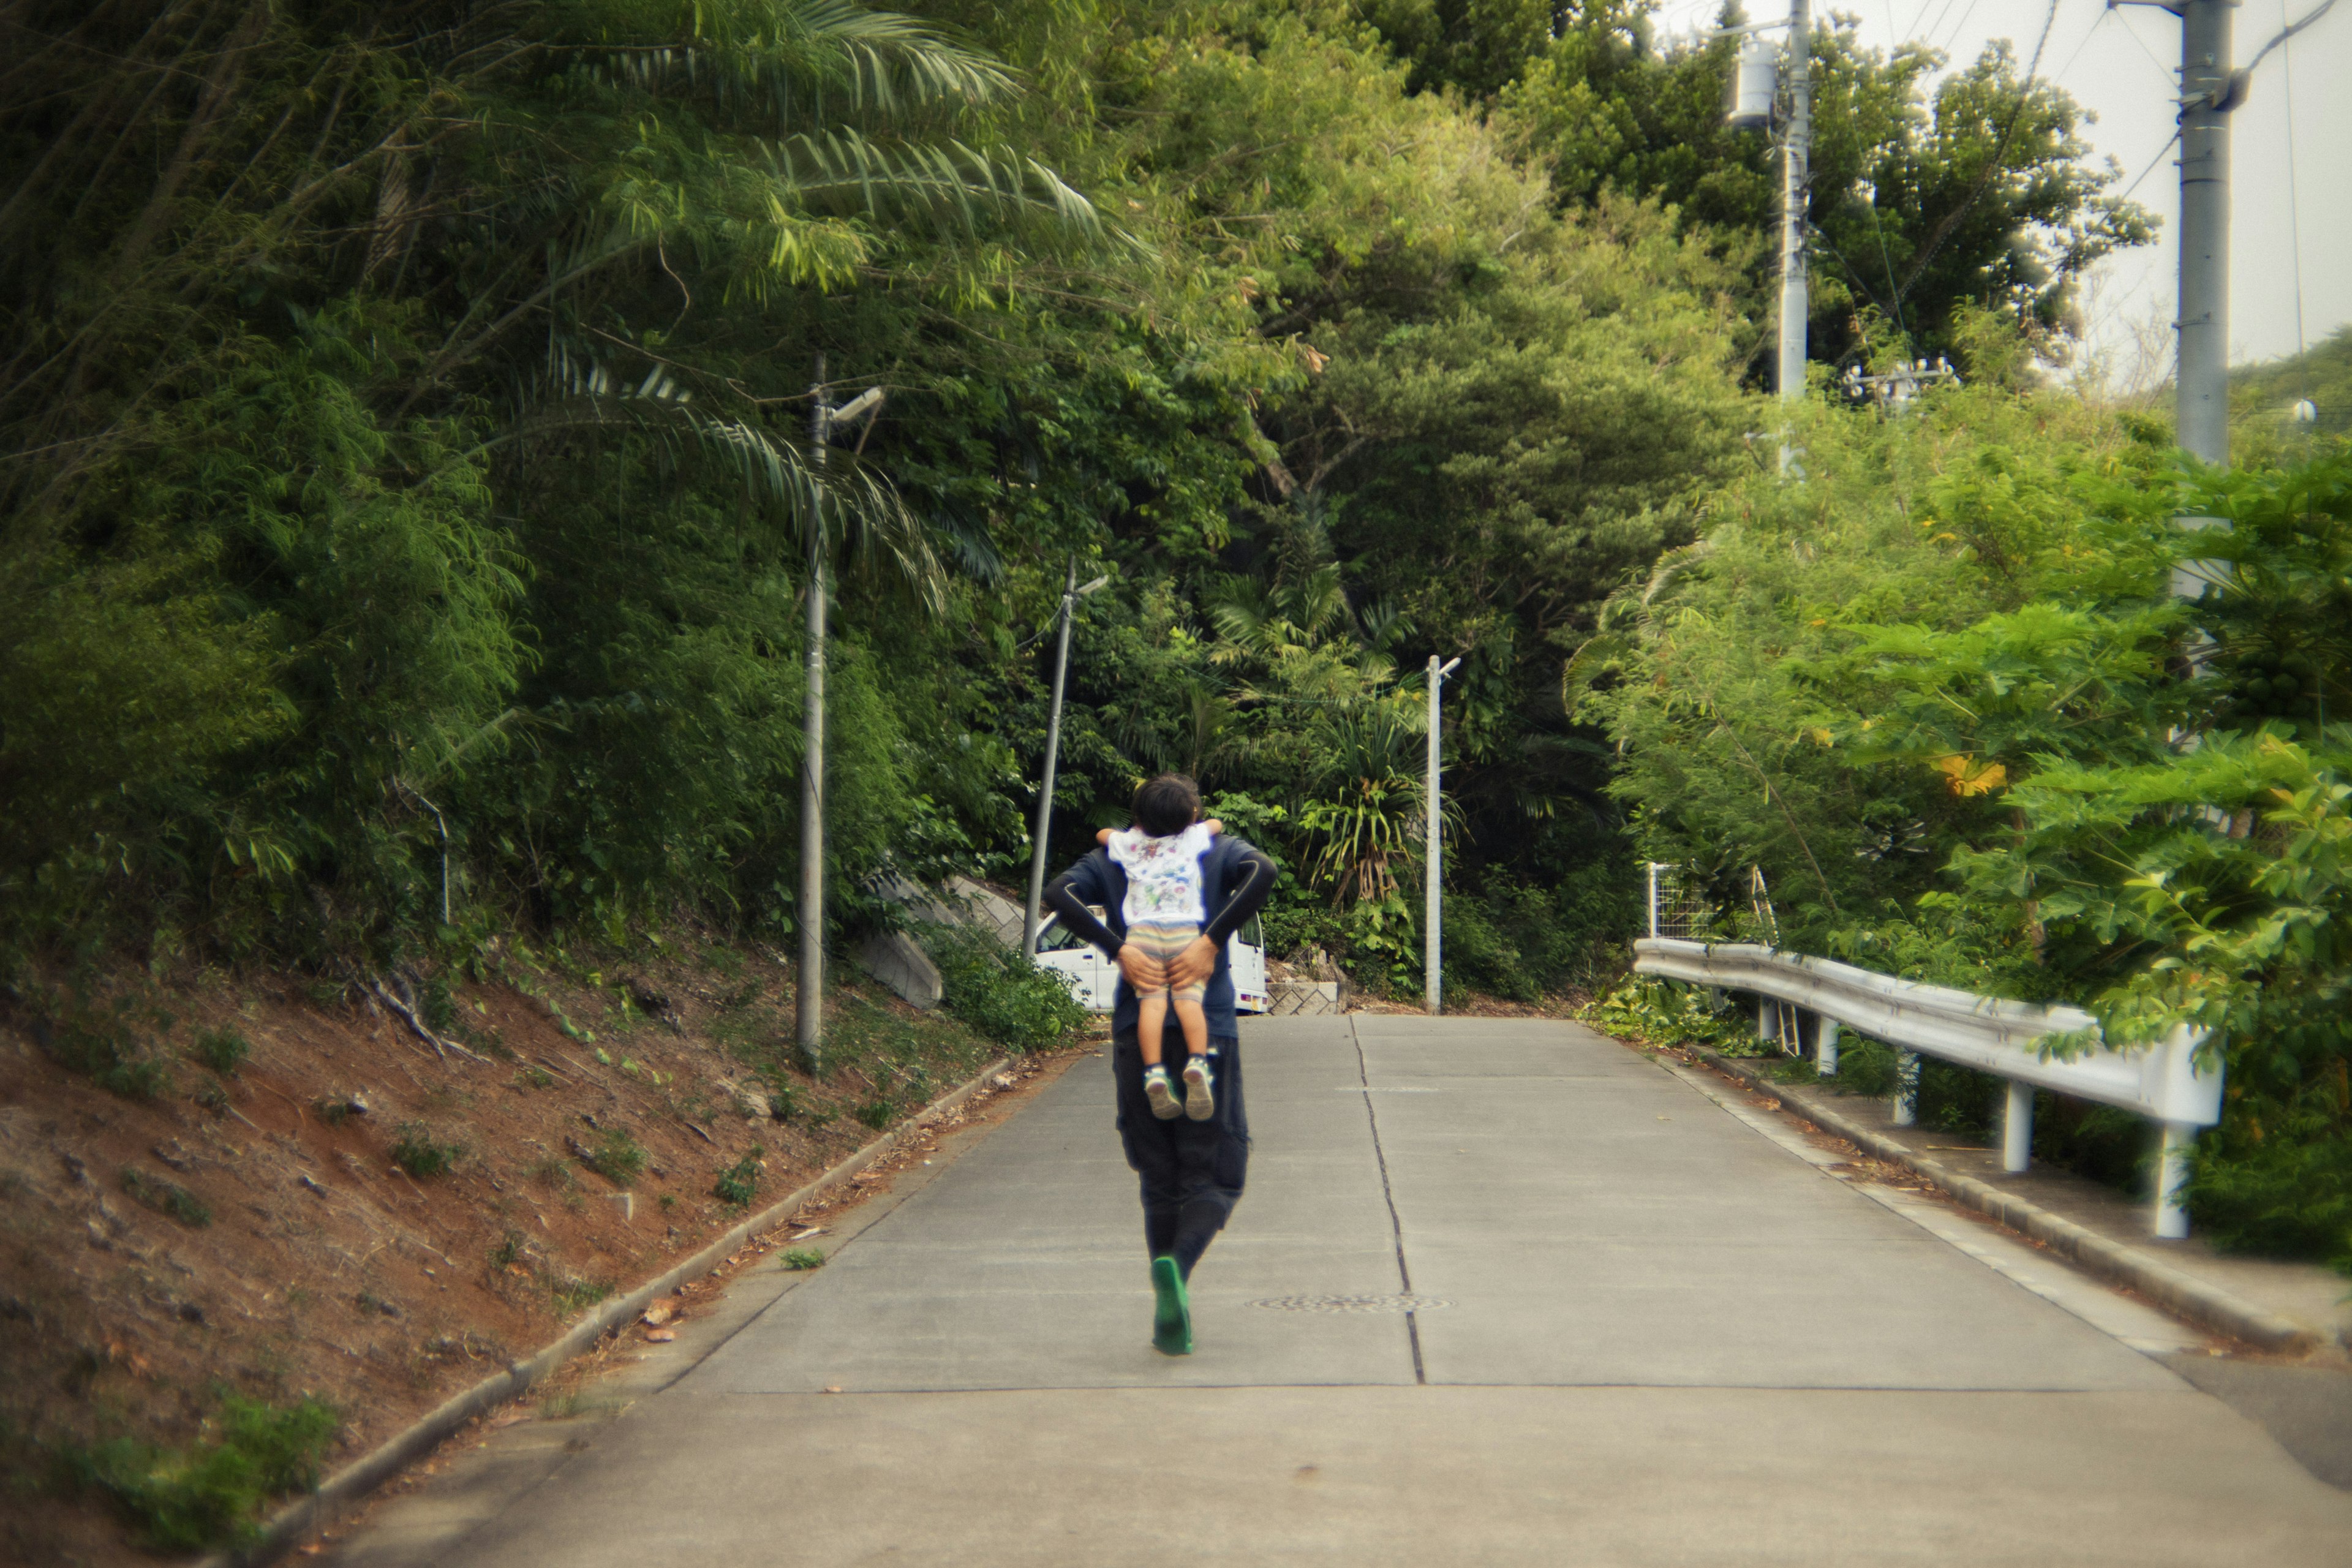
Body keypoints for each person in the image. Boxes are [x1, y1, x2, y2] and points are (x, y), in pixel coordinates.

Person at [1046, 775, 1275, 1356]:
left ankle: (1167, 1310)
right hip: (1208, 1027)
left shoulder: (1112, 855)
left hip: (1137, 1032)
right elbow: (1263, 872)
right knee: (1216, 1171)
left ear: (1134, 819)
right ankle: (1178, 1270)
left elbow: (1059, 892)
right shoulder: (1213, 848)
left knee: (1159, 1176)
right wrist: (1212, 939)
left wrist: (1116, 946)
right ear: (1195, 812)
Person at [1093, 815, 1226, 1121]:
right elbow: (1217, 824)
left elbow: (1102, 832)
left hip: (1142, 932)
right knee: (1188, 999)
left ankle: (1154, 1072)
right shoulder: (1191, 838)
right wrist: (1192, 821)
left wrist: (1130, 832)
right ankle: (1197, 1062)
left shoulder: (1130, 844)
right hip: (1183, 930)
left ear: (1139, 819)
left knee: (1152, 1004)